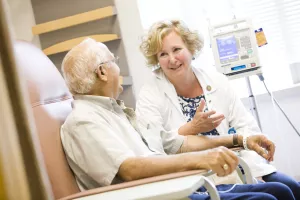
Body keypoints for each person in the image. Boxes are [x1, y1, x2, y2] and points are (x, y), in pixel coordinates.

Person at [59, 38, 295, 200]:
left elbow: (174, 142)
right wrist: (200, 160)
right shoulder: (83, 121)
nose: (118, 70)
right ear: (102, 72)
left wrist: (241, 140)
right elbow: (130, 168)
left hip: (177, 189)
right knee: (267, 197)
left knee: (280, 190)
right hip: (162, 195)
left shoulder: (116, 111)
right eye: (114, 62)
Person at [136, 19, 300, 199]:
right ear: (156, 60)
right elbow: (156, 147)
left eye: (176, 49)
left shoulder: (217, 81)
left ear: (191, 48)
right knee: (275, 194)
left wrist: (253, 173)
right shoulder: (150, 94)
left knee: (293, 186)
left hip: (238, 164)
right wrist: (191, 129)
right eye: (163, 54)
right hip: (196, 176)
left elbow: (246, 127)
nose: (172, 59)